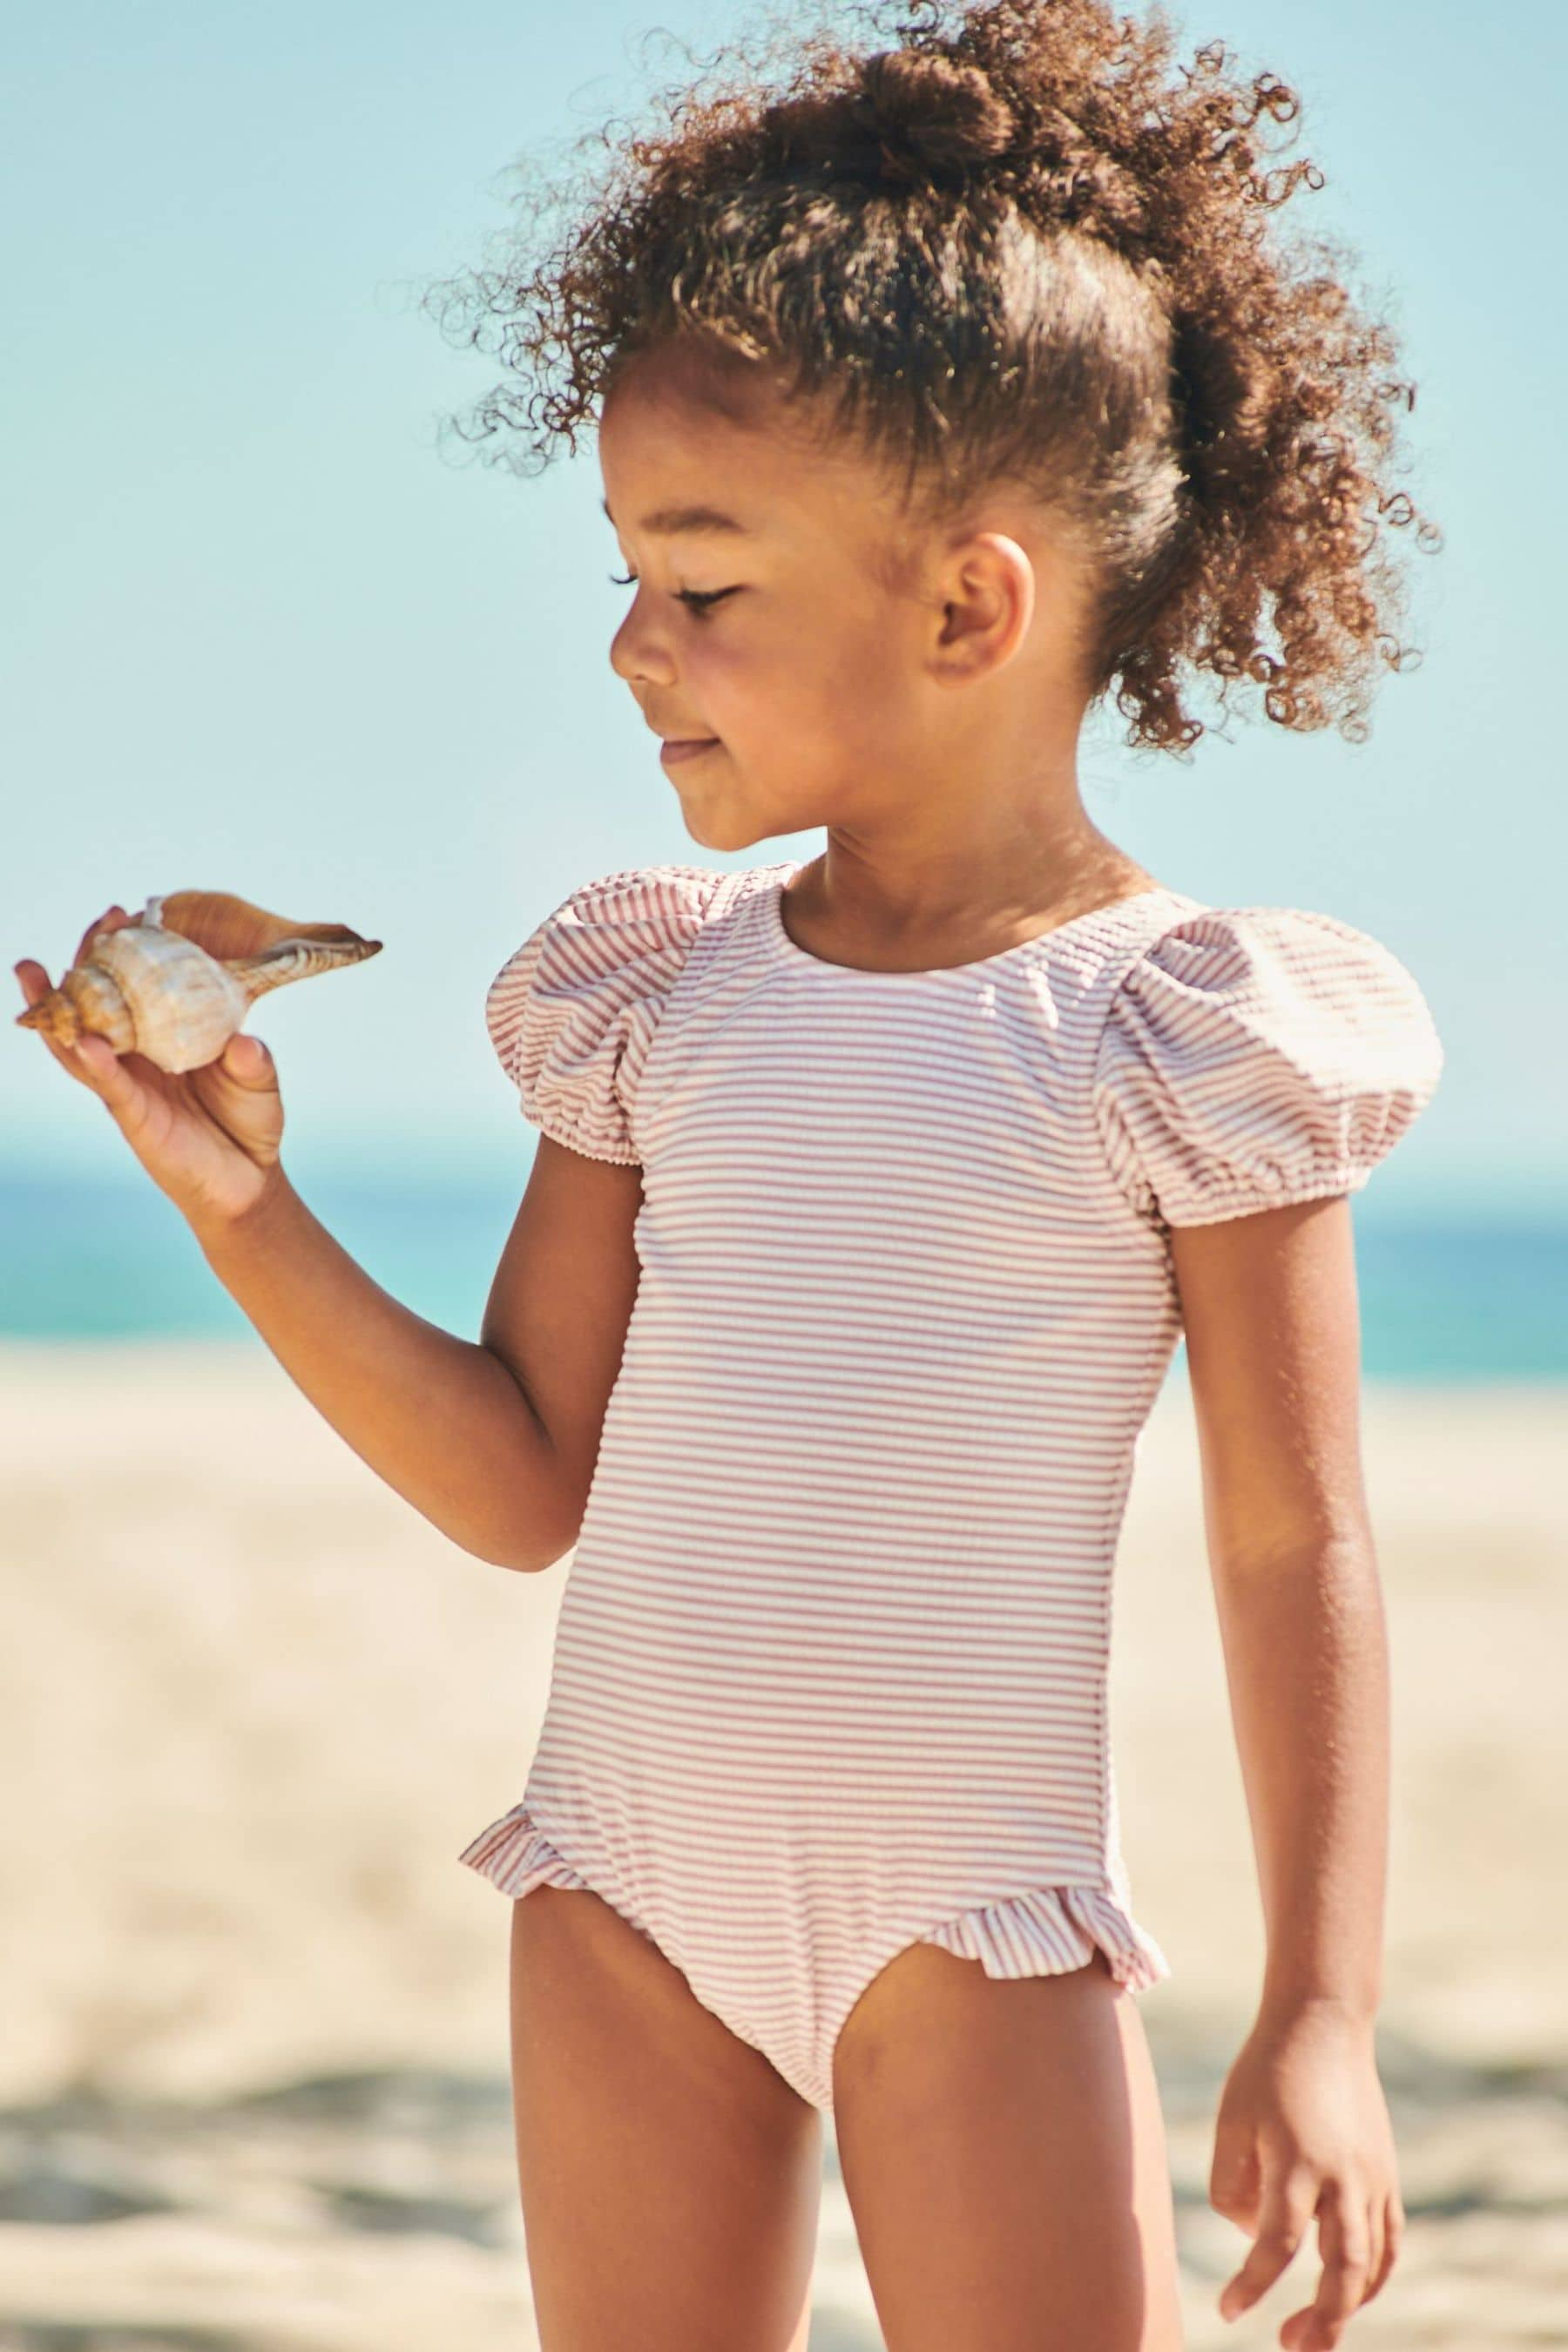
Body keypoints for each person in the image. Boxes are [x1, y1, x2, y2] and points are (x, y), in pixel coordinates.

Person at [15, 3, 1448, 2345]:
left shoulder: (1175, 1030)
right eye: (625, 571)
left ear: (970, 606)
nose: (625, 644)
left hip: (960, 1933)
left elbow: (1299, 1535)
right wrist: (236, 1202)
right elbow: (522, 1475)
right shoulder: (658, 992)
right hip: (618, 1899)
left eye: (701, 585)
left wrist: (1322, 2007)